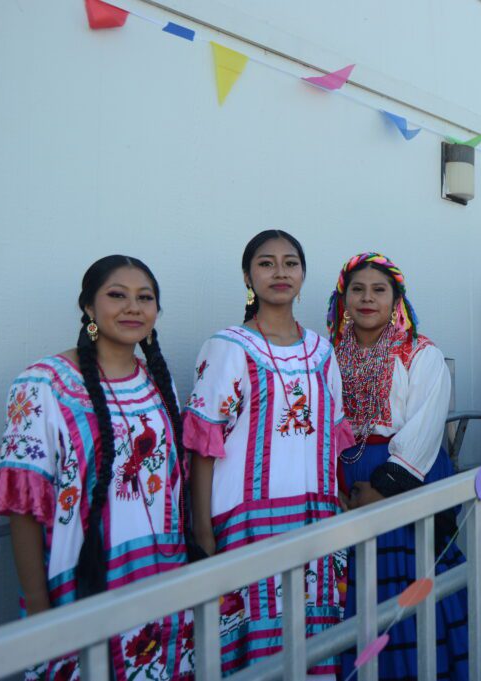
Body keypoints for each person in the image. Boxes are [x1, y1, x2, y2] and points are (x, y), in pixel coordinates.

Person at [0, 255, 198, 680]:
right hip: (82, 583)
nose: (133, 308)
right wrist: (39, 606)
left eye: (145, 298)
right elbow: (24, 508)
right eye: (117, 295)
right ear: (88, 307)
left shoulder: (158, 380)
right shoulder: (42, 383)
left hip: (161, 575)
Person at [183, 230, 353, 678]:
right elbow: (203, 447)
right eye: (266, 262)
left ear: (303, 274)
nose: (280, 272)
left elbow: (330, 443)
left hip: (314, 517)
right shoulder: (229, 346)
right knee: (249, 645)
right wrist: (202, 530)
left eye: (290, 262)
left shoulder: (321, 350)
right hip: (244, 524)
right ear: (247, 276)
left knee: (312, 636)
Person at [327, 252, 481, 680]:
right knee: (356, 584)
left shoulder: (420, 352)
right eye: (358, 289)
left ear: (396, 298)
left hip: (407, 475)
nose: (368, 299)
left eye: (379, 290)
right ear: (343, 298)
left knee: (413, 574)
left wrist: (383, 486)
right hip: (346, 481)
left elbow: (425, 423)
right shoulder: (327, 354)